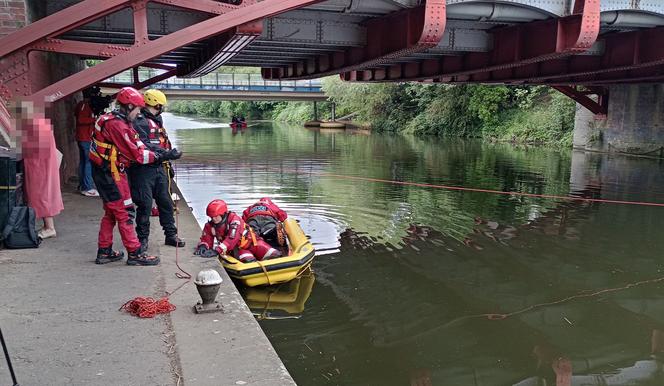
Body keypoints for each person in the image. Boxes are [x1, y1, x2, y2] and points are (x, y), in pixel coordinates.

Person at [89, 87, 182, 265]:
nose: (140, 112)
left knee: (111, 212)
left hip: (107, 171)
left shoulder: (116, 120)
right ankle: (135, 253)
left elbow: (138, 143)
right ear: (129, 106)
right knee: (125, 212)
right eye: (138, 109)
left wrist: (163, 153)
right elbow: (138, 154)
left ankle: (105, 250)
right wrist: (164, 155)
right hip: (110, 174)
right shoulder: (117, 125)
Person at [128, 89, 185, 250]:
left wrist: (168, 160)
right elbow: (144, 145)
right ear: (155, 104)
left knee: (165, 202)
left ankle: (170, 234)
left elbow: (161, 141)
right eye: (160, 106)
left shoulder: (157, 120)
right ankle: (142, 238)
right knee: (145, 204)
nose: (161, 109)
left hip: (159, 166)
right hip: (142, 170)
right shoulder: (139, 121)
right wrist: (167, 154)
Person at [17, 102, 64, 240]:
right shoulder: (40, 124)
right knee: (44, 195)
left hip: (39, 168)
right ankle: (48, 227)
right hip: (44, 166)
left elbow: (25, 149)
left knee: (40, 196)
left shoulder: (33, 127)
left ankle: (49, 228)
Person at [194, 199, 282, 262]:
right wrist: (203, 246)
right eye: (211, 217)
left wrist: (217, 250)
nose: (214, 219)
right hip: (238, 249)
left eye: (216, 216)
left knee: (276, 255)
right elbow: (206, 239)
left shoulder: (235, 221)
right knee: (249, 261)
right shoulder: (210, 226)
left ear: (223, 214)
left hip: (254, 243)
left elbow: (232, 238)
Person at [74, 87, 99, 197]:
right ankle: (87, 187)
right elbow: (80, 120)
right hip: (85, 138)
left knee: (84, 162)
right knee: (88, 162)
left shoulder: (82, 104)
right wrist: (94, 119)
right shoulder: (84, 105)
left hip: (83, 137)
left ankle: (82, 185)